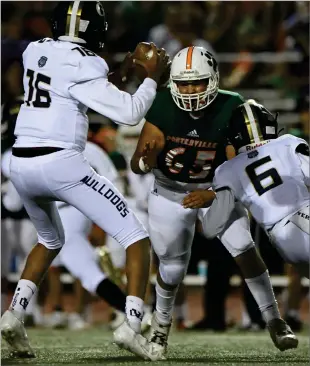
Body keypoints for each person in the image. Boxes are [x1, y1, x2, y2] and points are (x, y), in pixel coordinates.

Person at [0, 1, 169, 361]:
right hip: (59, 161)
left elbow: (72, 85)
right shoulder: (87, 62)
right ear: (96, 30)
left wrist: (120, 77)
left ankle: (13, 314)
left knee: (50, 239)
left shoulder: (35, 50)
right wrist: (151, 78)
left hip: (21, 161)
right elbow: (129, 112)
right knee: (136, 238)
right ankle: (133, 324)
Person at [130, 46, 297, 358]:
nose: (190, 90)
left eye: (196, 82)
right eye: (183, 83)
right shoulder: (162, 104)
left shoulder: (232, 105)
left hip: (216, 190)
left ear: (214, 79)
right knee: (172, 267)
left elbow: (239, 166)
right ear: (172, 84)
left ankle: (274, 319)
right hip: (171, 192)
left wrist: (215, 194)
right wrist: (146, 160)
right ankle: (161, 329)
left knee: (245, 251)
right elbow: (136, 162)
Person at [203, 99, 309, 279]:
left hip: (282, 243)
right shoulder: (286, 143)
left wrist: (216, 197)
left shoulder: (226, 170)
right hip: (303, 217)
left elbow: (211, 227)